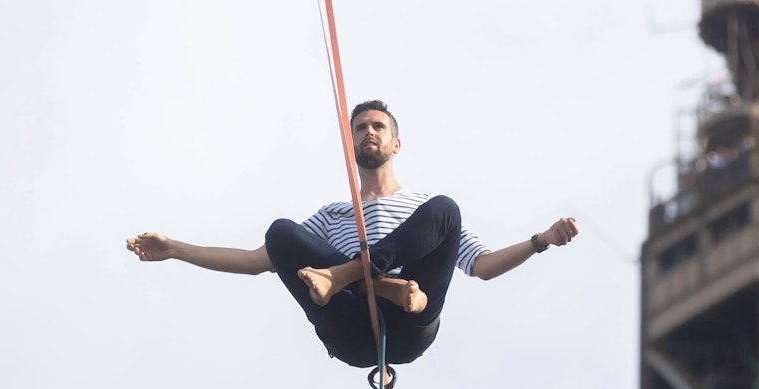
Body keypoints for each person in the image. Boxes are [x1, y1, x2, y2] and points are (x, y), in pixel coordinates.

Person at [124, 100, 580, 368]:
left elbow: (481, 267)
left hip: (411, 323)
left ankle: (351, 275)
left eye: (378, 127)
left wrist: (541, 241)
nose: (369, 132)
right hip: (353, 333)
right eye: (360, 127)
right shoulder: (336, 214)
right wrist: (176, 250)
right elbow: (256, 260)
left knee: (447, 208)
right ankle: (370, 282)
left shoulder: (422, 210)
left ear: (395, 143)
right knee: (281, 232)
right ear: (352, 142)